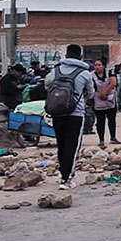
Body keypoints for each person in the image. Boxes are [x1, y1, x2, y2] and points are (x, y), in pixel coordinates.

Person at [45, 44, 96, 190]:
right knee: (72, 146)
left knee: (61, 144)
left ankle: (62, 174)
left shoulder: (55, 71)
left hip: (57, 113)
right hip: (76, 114)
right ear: (81, 57)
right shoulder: (85, 73)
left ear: (66, 55)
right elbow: (91, 93)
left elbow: (47, 86)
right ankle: (67, 179)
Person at [91, 58, 121, 147]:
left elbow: (113, 83)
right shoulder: (91, 75)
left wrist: (105, 92)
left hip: (110, 99)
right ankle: (101, 139)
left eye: (99, 65)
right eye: (95, 65)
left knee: (112, 120)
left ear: (104, 66)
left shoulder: (110, 73)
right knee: (100, 121)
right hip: (98, 100)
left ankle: (113, 137)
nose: (97, 67)